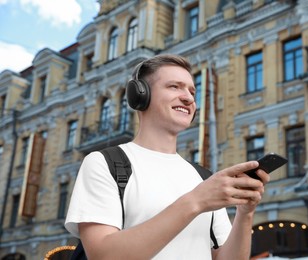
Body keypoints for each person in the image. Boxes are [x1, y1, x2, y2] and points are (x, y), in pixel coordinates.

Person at [65, 54, 270, 259]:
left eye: (192, 91)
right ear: (140, 94)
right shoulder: (104, 163)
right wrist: (196, 201)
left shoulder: (203, 177)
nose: (189, 97)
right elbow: (103, 256)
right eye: (174, 86)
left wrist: (245, 213)